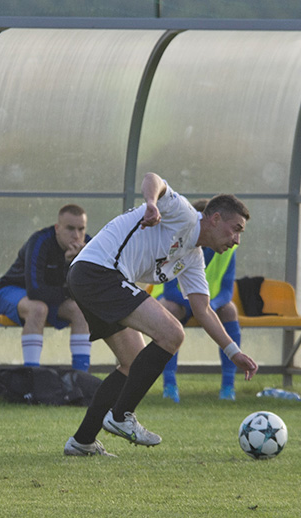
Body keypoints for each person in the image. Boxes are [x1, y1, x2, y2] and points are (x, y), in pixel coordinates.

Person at [62, 172, 258, 457]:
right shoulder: (186, 215)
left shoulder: (192, 257)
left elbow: (203, 310)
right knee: (172, 333)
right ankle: (121, 415)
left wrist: (233, 352)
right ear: (214, 219)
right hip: (98, 272)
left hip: (92, 278)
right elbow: (153, 178)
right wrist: (152, 204)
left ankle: (82, 441)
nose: (237, 239)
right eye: (235, 229)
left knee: (132, 363)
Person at [151, 198, 241, 403]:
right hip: (178, 303)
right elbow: (170, 290)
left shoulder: (228, 248)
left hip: (206, 303)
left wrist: (209, 307)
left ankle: (228, 386)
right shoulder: (178, 242)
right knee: (169, 309)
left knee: (230, 310)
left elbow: (228, 288)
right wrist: (198, 307)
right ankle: (169, 385)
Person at [0, 204, 92, 371]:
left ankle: (81, 377)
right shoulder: (40, 241)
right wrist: (67, 270)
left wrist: (75, 264)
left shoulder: (88, 246)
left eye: (81, 229)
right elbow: (35, 291)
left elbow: (89, 291)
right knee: (38, 309)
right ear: (57, 228)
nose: (77, 236)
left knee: (80, 310)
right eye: (70, 228)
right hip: (13, 289)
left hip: (51, 295)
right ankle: (32, 375)